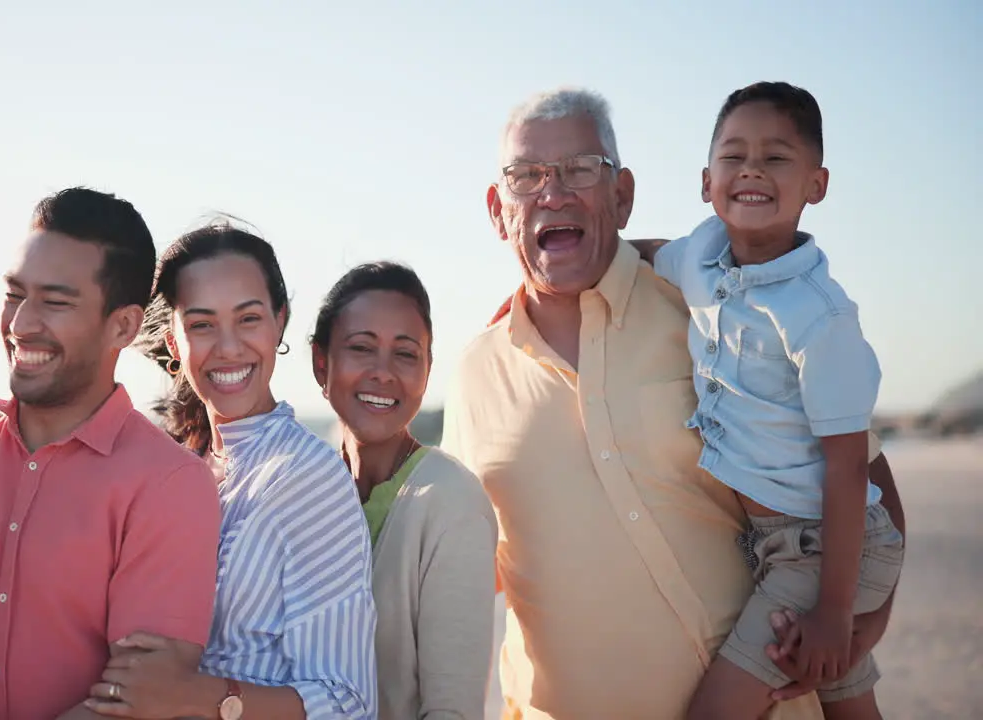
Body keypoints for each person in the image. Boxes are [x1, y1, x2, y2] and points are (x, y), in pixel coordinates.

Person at [440, 88, 906, 719]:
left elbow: (863, 473)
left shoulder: (712, 309)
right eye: (527, 177)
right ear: (499, 210)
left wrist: (862, 624)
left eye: (581, 169)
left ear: (622, 196)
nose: (553, 193)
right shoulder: (474, 373)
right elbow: (459, 566)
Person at [642, 82, 903, 720]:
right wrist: (552, 280)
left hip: (825, 551)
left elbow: (848, 468)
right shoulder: (701, 255)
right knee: (849, 710)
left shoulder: (819, 317)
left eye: (777, 157)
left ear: (817, 184)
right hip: (774, 543)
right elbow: (648, 254)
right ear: (707, 182)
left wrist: (835, 613)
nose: (752, 168)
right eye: (734, 156)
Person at [0, 187, 222, 720]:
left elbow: (136, 703)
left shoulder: (170, 486)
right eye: (15, 294)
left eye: (56, 302)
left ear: (124, 326)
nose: (20, 324)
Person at [84, 218, 378, 720]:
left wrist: (197, 695)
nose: (228, 347)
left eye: (248, 319)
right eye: (201, 324)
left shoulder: (309, 479)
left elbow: (349, 702)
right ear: (173, 343)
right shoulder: (167, 468)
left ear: (279, 322)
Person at [310, 261, 498, 719]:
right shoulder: (302, 491)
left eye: (406, 354)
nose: (384, 372)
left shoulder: (450, 500)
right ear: (321, 363)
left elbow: (452, 710)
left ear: (428, 369)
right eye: (361, 348)